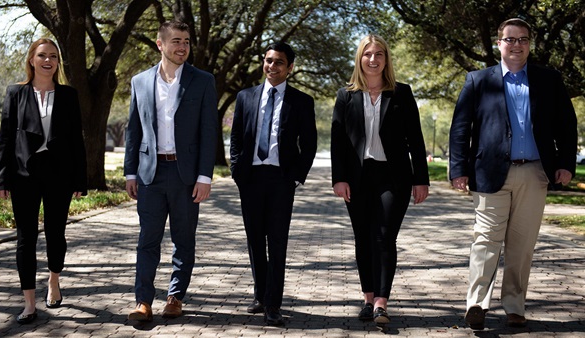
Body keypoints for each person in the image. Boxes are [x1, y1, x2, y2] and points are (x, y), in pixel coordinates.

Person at [449, 18, 577, 330]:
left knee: (522, 245)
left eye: (522, 39)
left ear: (529, 44)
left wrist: (565, 164)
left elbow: (566, 125)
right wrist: (458, 169)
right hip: (490, 174)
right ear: (499, 43)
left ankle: (514, 306)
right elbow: (460, 129)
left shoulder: (549, 80)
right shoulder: (478, 80)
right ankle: (476, 304)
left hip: (535, 174)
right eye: (510, 39)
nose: (516, 45)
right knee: (486, 240)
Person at [330, 34, 429, 327]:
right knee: (363, 238)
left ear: (386, 59)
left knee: (384, 236)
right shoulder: (345, 95)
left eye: (379, 55)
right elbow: (338, 141)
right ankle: (368, 297)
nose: (373, 60)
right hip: (357, 177)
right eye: (367, 54)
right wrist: (339, 178)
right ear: (360, 59)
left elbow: (416, 139)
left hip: (393, 176)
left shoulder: (401, 93)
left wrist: (421, 179)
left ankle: (382, 303)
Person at [124, 21, 218, 322]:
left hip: (186, 175)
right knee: (147, 240)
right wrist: (130, 173)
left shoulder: (203, 81)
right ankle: (143, 301)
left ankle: (175, 297)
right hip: (150, 174)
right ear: (160, 44)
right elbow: (133, 130)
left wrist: (205, 176)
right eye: (176, 41)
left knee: (183, 239)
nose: (183, 47)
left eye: (187, 41)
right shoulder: (139, 81)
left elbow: (209, 131)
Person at [0, 38, 88, 324]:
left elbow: (76, 141)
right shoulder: (16, 93)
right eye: (43, 56)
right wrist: (1, 179)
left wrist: (80, 179)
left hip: (59, 175)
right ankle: (29, 303)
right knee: (25, 239)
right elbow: (6, 139)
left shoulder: (69, 96)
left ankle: (54, 280)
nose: (48, 61)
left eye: (54, 57)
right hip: (24, 175)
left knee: (56, 234)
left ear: (58, 62)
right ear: (32, 59)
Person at [229, 42, 317, 326]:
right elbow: (237, 139)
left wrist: (295, 176)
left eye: (279, 62)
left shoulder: (302, 101)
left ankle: (273, 304)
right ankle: (260, 294)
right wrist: (236, 171)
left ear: (289, 67)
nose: (272, 66)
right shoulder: (245, 97)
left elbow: (310, 144)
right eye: (268, 61)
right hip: (251, 178)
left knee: (277, 242)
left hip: (281, 180)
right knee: (255, 240)